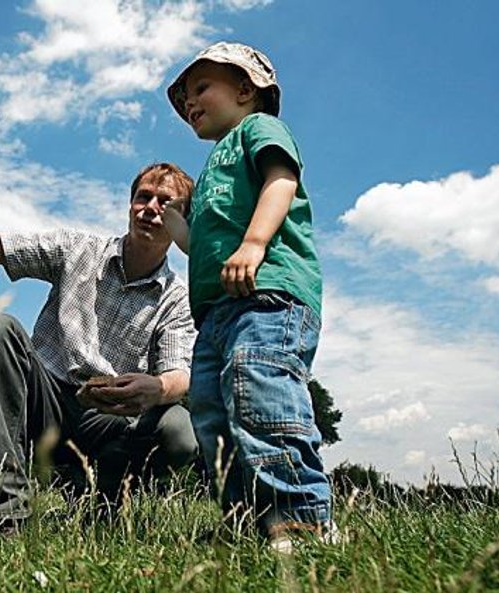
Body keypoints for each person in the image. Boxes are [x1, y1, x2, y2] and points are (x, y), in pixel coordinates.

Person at [0, 163, 198, 531]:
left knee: (179, 430)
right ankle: (7, 512)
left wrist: (155, 388)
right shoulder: (79, 249)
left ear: (181, 221)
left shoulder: (177, 298)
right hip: (43, 401)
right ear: (129, 205)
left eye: (165, 203)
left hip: (108, 417)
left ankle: (104, 502)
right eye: (143, 197)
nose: (151, 208)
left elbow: (177, 373)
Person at [161, 42, 332, 546]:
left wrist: (255, 242)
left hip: (268, 295)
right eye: (185, 97)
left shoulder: (259, 131)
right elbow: (205, 249)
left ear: (245, 88)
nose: (190, 102)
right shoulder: (214, 162)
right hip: (217, 312)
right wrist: (177, 224)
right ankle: (247, 522)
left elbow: (281, 181)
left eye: (200, 88)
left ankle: (301, 519)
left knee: (261, 393)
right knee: (213, 412)